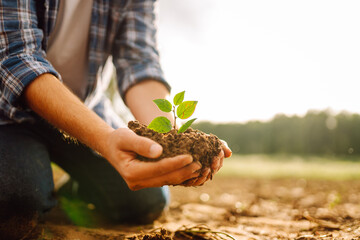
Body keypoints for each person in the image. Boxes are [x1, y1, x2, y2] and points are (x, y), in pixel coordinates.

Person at [0, 0, 231, 239]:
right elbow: (17, 59)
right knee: (15, 201)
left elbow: (139, 64)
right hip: (7, 114)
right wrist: (105, 139)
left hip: (86, 107)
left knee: (145, 200)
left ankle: (71, 193)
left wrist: (171, 143)